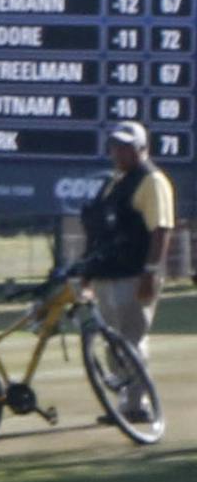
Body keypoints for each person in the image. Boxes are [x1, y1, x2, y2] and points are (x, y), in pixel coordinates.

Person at [85, 120, 175, 356]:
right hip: (108, 274)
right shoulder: (114, 181)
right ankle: (124, 394)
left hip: (134, 275)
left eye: (125, 147)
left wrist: (151, 271)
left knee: (131, 344)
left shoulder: (151, 180)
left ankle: (137, 394)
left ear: (142, 148)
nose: (118, 152)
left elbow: (161, 229)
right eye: (115, 146)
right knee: (113, 346)